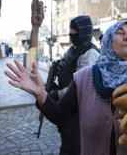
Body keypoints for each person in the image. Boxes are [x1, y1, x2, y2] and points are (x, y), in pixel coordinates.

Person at [5, 20, 127, 155]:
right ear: (107, 41)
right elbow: (60, 116)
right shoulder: (84, 78)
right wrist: (41, 94)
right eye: (121, 32)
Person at [49, 15, 99, 155]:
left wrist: (57, 94)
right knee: (65, 142)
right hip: (67, 107)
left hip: (79, 111)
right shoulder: (74, 49)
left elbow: (81, 85)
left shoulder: (90, 53)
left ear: (84, 31)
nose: (71, 33)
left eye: (74, 30)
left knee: (73, 146)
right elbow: (64, 64)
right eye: (70, 29)